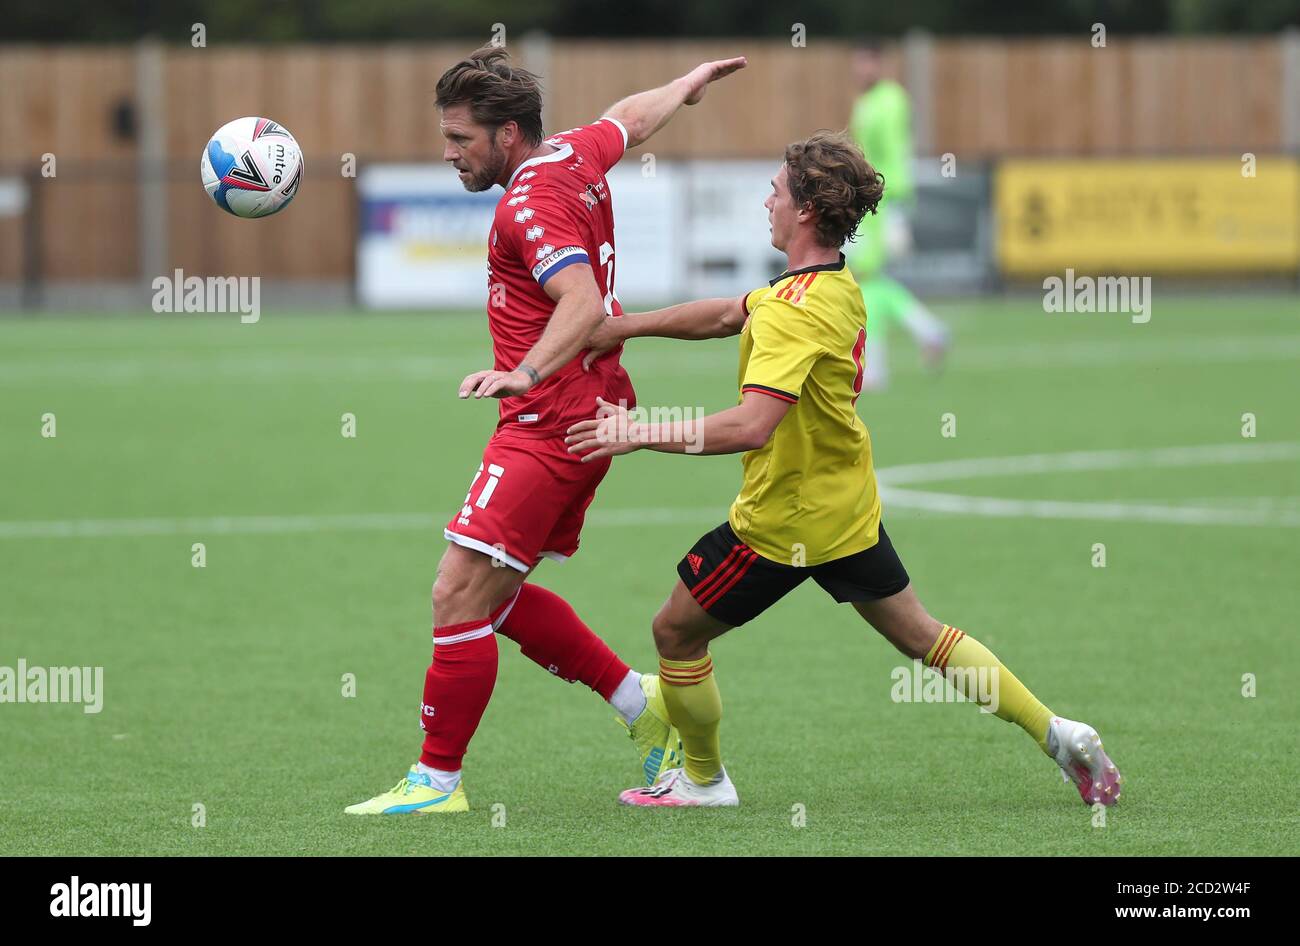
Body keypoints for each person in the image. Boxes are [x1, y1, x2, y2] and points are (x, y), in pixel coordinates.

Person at [568, 131, 1122, 808]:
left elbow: (750, 425)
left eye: (775, 190)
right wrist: (620, 328)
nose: (765, 201)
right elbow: (722, 314)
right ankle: (1056, 731)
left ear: (803, 211)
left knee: (673, 632)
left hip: (781, 523)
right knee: (926, 637)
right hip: (847, 506)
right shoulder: (833, 286)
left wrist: (637, 432)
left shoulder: (788, 313)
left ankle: (705, 782)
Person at [346, 45, 747, 814]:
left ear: (508, 135)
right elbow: (627, 120)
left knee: (457, 593)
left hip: (550, 423)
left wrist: (525, 372)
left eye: (462, 139)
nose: (449, 153)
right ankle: (643, 707)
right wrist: (685, 86)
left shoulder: (526, 205)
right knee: (493, 595)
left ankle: (436, 783)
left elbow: (583, 302)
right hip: (581, 413)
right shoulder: (568, 151)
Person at [847, 40, 949, 390]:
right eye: (857, 63)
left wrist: (896, 201)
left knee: (866, 278)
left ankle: (875, 368)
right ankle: (928, 330)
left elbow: (893, 152)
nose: (861, 70)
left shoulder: (891, 99)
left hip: (887, 198)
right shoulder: (864, 103)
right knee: (871, 280)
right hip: (872, 199)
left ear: (878, 64)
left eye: (866, 62)